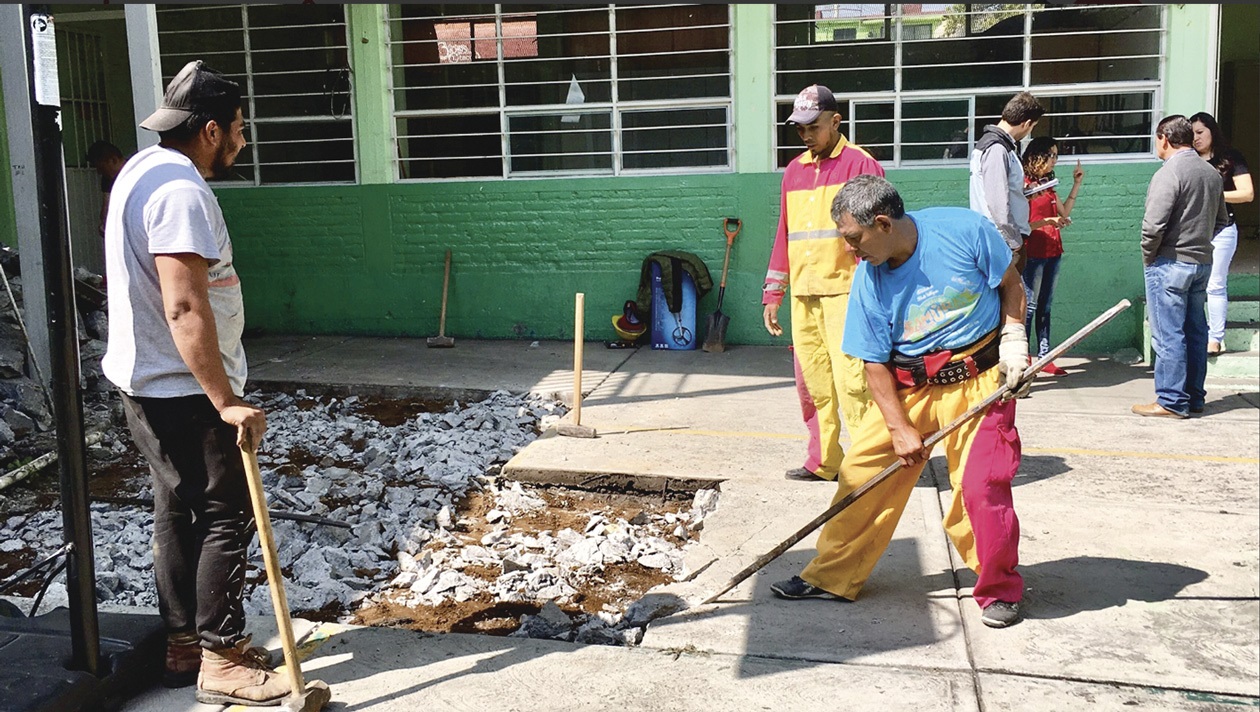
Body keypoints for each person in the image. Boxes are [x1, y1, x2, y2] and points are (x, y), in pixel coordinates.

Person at [101, 60, 290, 705]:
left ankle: (185, 644)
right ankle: (221, 657)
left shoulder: (140, 169)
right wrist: (228, 401)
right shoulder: (181, 192)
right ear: (210, 130)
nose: (242, 140)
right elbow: (184, 307)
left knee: (176, 513)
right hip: (182, 388)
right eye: (238, 129)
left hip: (148, 383)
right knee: (222, 515)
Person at [772, 174, 1031, 629]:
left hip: (979, 377)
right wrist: (898, 428)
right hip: (909, 387)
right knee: (860, 475)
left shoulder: (964, 231)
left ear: (884, 224)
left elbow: (1010, 285)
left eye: (854, 239)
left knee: (980, 486)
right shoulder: (869, 281)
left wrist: (1014, 344)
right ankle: (832, 576)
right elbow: (874, 364)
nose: (850, 250)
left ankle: (998, 588)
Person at [763, 84, 883, 483]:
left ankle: (872, 464)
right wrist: (773, 293)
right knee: (812, 383)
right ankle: (824, 461)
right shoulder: (794, 171)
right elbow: (784, 234)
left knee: (854, 382)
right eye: (799, 129)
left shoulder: (861, 167)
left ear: (836, 121)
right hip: (803, 294)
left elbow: (881, 236)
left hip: (848, 293)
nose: (806, 136)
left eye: (813, 127)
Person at [1133, 115, 1230, 419]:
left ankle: (1172, 400)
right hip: (1201, 263)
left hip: (1170, 263)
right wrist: (1199, 242)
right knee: (1196, 332)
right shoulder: (1211, 174)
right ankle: (1194, 397)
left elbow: (1153, 226)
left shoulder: (1169, 173)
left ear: (1164, 138)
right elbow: (1222, 221)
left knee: (1168, 334)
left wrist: (1149, 256)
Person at [1189, 112, 1254, 355]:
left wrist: (1215, 196)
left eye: (1200, 132)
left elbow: (1247, 194)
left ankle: (1215, 338)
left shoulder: (1231, 157)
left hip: (1223, 229)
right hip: (1192, 232)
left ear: (1212, 131)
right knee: (1191, 284)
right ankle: (1196, 333)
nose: (1195, 138)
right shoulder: (1188, 160)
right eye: (1191, 134)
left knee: (1215, 284)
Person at [1020, 137, 1085, 376]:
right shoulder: (1024, 185)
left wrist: (1076, 184)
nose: (1053, 160)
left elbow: (1064, 210)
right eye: (1050, 155)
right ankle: (1024, 356)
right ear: (1036, 156)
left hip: (1053, 250)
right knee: (1030, 306)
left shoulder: (1047, 184)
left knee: (1045, 307)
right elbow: (1022, 224)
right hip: (1034, 251)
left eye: (1056, 156)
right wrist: (1048, 221)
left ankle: (1045, 356)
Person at [970, 91, 1044, 275]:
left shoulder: (1002, 146)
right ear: (1026, 124)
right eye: (1032, 126)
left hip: (1000, 239)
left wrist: (1024, 192)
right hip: (1001, 241)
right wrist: (1015, 243)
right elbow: (997, 203)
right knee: (1017, 301)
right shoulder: (996, 148)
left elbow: (1001, 190)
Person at [86, 140, 127, 238]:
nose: (99, 172)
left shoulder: (134, 172)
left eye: (101, 168)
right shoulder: (107, 179)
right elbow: (106, 209)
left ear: (113, 160)